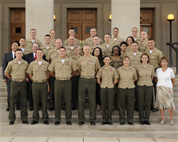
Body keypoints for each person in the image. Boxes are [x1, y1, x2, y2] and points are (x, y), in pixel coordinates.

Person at [48, 47, 77, 125]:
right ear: (59, 52)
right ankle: (57, 119)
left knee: (68, 101)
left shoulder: (70, 61)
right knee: (57, 101)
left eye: (64, 51)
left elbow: (75, 70)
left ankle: (68, 119)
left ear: (66, 52)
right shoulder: (55, 61)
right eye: (61, 51)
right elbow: (50, 72)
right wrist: (57, 76)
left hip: (67, 82)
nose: (62, 52)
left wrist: (70, 76)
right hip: (58, 82)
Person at [4, 49, 29, 125]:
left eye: (20, 53)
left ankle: (24, 119)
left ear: (22, 54)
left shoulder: (25, 63)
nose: (19, 54)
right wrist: (11, 78)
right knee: (12, 101)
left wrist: (25, 77)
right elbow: (6, 72)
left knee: (23, 101)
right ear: (15, 54)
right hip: (14, 82)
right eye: (18, 53)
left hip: (22, 83)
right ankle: (11, 119)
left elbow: (27, 72)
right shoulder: (11, 63)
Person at [78, 45, 100, 125]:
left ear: (91, 50)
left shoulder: (95, 59)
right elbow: (78, 70)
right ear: (83, 50)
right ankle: (81, 119)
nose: (87, 51)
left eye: (88, 49)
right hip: (83, 80)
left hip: (91, 80)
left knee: (92, 100)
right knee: (81, 100)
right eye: (85, 49)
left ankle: (92, 119)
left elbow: (97, 69)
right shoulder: (80, 59)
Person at [27, 49, 50, 125]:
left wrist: (44, 79)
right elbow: (29, 73)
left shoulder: (46, 64)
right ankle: (35, 118)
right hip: (35, 84)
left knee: (44, 102)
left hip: (43, 84)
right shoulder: (32, 64)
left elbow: (48, 74)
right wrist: (33, 79)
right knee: (35, 101)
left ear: (43, 54)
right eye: (38, 53)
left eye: (41, 53)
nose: (39, 54)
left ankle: (45, 118)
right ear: (36, 54)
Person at [2, 42, 25, 111]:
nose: (15, 46)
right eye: (14, 45)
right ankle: (9, 106)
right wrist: (4, 77)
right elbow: (4, 66)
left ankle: (18, 105)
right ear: (11, 47)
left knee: (18, 93)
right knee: (10, 93)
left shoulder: (21, 55)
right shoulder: (6, 55)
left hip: (19, 78)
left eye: (17, 45)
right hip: (10, 78)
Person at [96, 55, 118, 125]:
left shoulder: (113, 69)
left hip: (110, 88)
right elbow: (98, 79)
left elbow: (116, 79)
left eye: (108, 60)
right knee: (103, 104)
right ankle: (104, 119)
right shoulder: (101, 69)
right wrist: (102, 84)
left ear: (110, 61)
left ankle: (109, 119)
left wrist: (112, 84)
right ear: (103, 61)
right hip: (103, 88)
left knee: (110, 104)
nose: (107, 61)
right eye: (106, 59)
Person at [154, 56, 176, 126]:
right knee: (161, 105)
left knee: (169, 104)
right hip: (160, 88)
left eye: (165, 62)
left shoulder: (170, 70)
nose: (163, 63)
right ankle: (163, 119)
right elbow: (156, 79)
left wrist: (170, 87)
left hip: (168, 89)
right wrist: (160, 85)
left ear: (167, 62)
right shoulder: (158, 70)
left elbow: (173, 80)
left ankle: (171, 120)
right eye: (162, 62)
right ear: (160, 63)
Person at [25, 42, 46, 111]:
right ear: (32, 48)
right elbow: (26, 67)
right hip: (31, 77)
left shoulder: (43, 56)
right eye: (34, 47)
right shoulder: (28, 56)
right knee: (31, 92)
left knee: (40, 94)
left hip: (40, 77)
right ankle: (32, 106)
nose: (35, 48)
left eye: (36, 47)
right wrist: (27, 76)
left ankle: (40, 106)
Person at [117, 56, 138, 125]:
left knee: (130, 104)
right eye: (125, 60)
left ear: (129, 61)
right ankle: (122, 119)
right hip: (121, 88)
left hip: (131, 88)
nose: (126, 62)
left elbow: (135, 78)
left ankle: (130, 120)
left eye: (127, 60)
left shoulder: (133, 69)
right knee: (121, 104)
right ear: (123, 61)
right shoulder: (119, 70)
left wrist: (130, 83)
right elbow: (117, 79)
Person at [136, 53, 154, 125]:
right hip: (140, 85)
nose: (144, 59)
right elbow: (136, 77)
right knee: (140, 103)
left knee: (148, 103)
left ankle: (146, 119)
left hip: (149, 85)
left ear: (148, 59)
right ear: (141, 59)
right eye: (143, 58)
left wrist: (148, 82)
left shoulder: (151, 67)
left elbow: (152, 76)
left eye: (146, 58)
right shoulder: (138, 67)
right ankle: (141, 119)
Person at [145, 38, 163, 112]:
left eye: (151, 43)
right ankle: (150, 105)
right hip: (147, 71)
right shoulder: (145, 52)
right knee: (149, 89)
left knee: (156, 89)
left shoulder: (158, 52)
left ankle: (156, 105)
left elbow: (161, 63)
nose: (150, 44)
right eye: (149, 43)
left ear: (154, 43)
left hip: (156, 71)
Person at [46, 38, 63, 111]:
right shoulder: (51, 51)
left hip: (62, 73)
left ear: (62, 44)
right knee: (52, 89)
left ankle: (62, 105)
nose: (58, 44)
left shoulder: (64, 51)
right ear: (55, 43)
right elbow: (48, 60)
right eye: (57, 43)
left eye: (59, 43)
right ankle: (52, 105)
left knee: (62, 90)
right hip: (53, 73)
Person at [110, 46, 122, 111]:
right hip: (111, 77)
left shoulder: (121, 58)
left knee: (118, 92)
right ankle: (112, 105)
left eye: (117, 50)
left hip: (120, 77)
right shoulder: (110, 58)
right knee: (112, 92)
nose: (115, 51)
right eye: (114, 50)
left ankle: (117, 105)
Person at [92, 47, 104, 111]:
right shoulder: (90, 59)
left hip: (100, 78)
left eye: (98, 51)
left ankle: (99, 105)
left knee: (98, 92)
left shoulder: (102, 61)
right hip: (92, 77)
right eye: (95, 51)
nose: (97, 52)